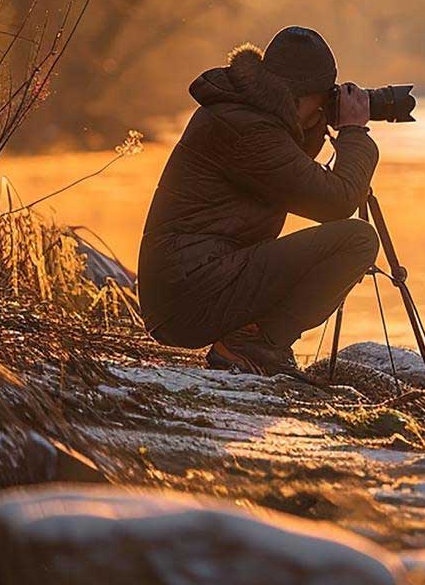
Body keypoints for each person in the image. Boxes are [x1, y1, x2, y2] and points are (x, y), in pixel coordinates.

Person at [137, 26, 380, 376]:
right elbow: (336, 203)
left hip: (189, 286)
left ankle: (254, 341)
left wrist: (318, 121)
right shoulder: (247, 130)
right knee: (357, 241)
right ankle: (254, 344)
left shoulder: (243, 115)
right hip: (189, 295)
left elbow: (293, 174)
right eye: (322, 99)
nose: (324, 109)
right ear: (298, 96)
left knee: (346, 239)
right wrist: (354, 133)